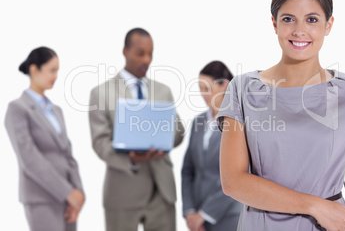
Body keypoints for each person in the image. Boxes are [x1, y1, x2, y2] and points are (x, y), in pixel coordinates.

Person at [217, 0, 345, 231]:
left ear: (329, 25)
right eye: (288, 19)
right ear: (274, 24)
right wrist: (315, 206)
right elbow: (233, 181)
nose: (299, 31)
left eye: (312, 20)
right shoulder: (243, 88)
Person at [89, 27, 185, 231]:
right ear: (125, 51)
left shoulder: (163, 90)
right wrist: (131, 159)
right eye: (140, 53)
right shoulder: (101, 93)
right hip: (123, 192)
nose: (146, 60)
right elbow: (100, 143)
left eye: (150, 54)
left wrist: (166, 136)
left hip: (162, 192)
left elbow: (178, 132)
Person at [4, 47, 85, 231]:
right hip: (41, 197)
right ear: (34, 70)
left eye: (58, 70)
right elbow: (28, 158)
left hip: (69, 199)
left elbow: (68, 153)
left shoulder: (56, 111)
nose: (56, 75)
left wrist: (78, 193)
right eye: (52, 70)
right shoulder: (18, 109)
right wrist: (67, 192)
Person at [182, 61, 241, 231]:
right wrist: (191, 212)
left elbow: (238, 175)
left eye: (207, 88)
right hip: (197, 219)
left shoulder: (239, 122)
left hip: (229, 216)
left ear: (225, 85)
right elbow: (188, 171)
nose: (203, 94)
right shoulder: (198, 122)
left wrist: (205, 214)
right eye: (200, 88)